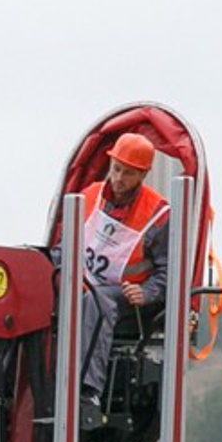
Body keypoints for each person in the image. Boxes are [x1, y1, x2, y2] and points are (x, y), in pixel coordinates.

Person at [63, 130, 171, 414]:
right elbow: (64, 247)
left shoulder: (158, 216)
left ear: (143, 175)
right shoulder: (88, 197)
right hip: (80, 285)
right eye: (116, 169)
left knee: (97, 302)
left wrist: (147, 292)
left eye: (128, 173)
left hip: (123, 297)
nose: (119, 179)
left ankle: (88, 391)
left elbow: (168, 273)